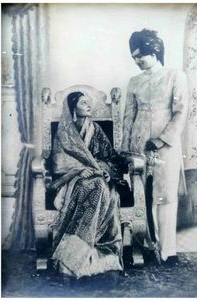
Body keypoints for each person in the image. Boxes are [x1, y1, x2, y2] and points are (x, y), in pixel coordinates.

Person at [121, 29, 188, 266]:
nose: (137, 60)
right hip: (139, 147)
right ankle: (145, 247)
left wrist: (161, 140)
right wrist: (125, 149)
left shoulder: (174, 75)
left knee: (166, 196)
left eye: (141, 55)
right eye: (134, 57)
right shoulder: (134, 82)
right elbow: (128, 117)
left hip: (165, 146)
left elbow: (180, 113)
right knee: (141, 196)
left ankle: (168, 251)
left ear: (155, 51)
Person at [50, 91, 123, 278]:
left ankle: (86, 253)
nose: (88, 106)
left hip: (97, 175)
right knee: (92, 186)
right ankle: (72, 255)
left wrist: (105, 171)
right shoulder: (65, 131)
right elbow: (58, 161)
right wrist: (79, 170)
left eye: (89, 103)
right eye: (83, 103)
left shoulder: (95, 129)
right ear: (73, 108)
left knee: (100, 186)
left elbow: (110, 157)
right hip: (72, 180)